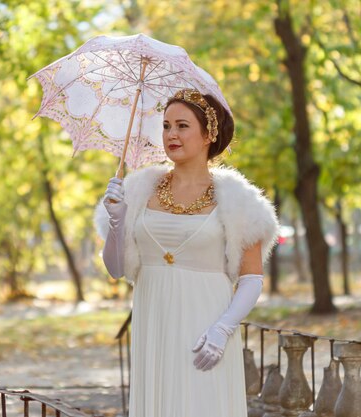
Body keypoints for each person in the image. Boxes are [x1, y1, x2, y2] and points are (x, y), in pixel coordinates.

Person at [95, 88, 279, 417]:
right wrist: (117, 221)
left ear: (209, 134)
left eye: (182, 126)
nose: (171, 135)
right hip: (154, 321)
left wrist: (223, 329)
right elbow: (116, 269)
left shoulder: (241, 202)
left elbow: (251, 279)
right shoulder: (136, 191)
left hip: (206, 326)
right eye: (166, 126)